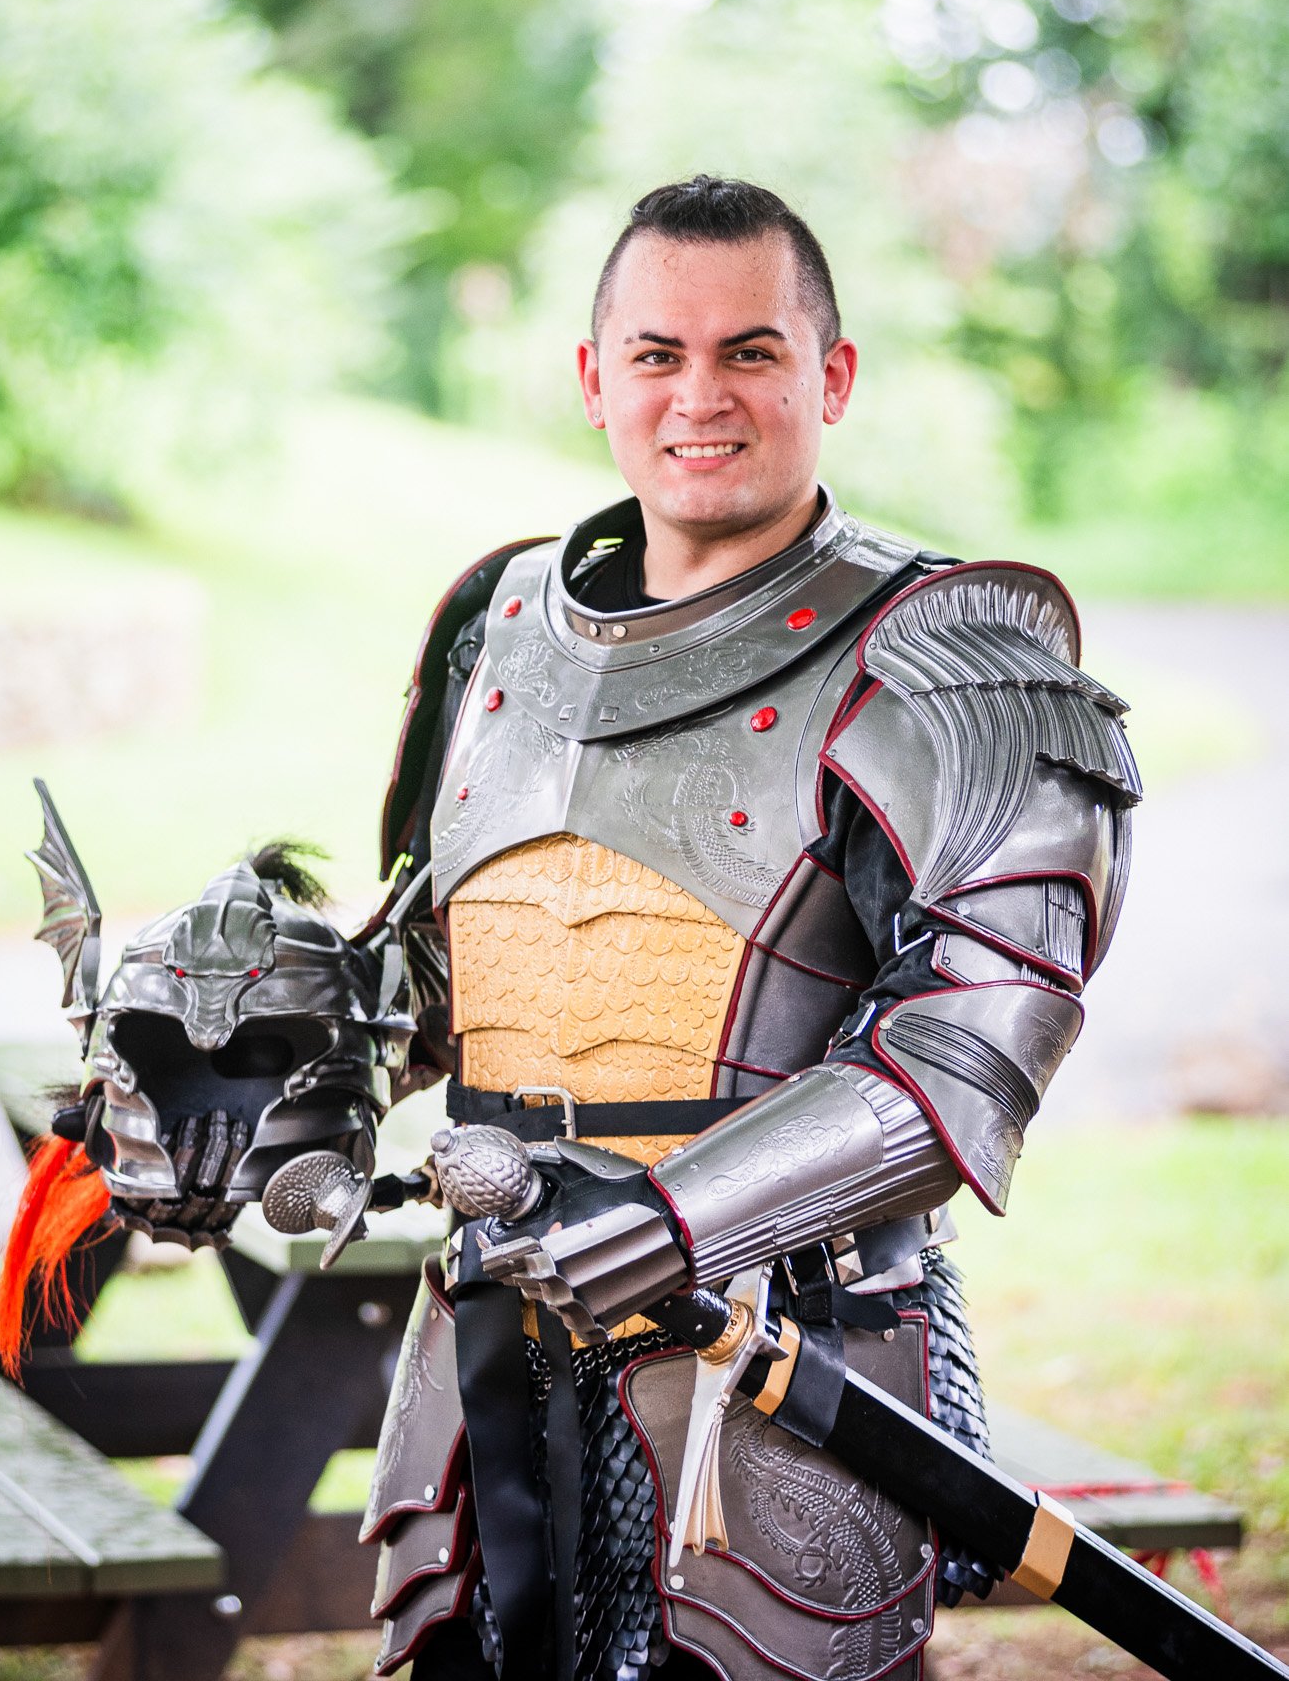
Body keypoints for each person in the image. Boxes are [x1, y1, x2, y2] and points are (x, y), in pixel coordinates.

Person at [360, 175, 1141, 1681]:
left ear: (831, 375)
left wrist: (675, 1221)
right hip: (484, 1361)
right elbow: (448, 971)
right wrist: (267, 1037)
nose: (698, 396)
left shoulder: (953, 655)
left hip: (782, 1364)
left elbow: (971, 1054)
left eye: (751, 353)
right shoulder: (493, 622)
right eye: (657, 355)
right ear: (595, 381)